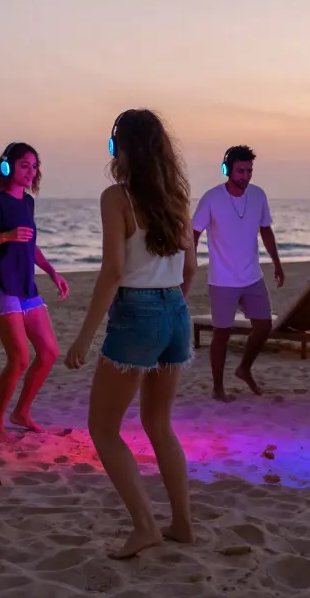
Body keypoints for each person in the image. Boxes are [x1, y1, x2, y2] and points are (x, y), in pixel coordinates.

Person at [65, 108, 198, 560]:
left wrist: (84, 337)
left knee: (102, 428)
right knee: (159, 423)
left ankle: (145, 526)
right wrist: (169, 302)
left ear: (122, 150)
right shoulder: (178, 198)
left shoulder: (116, 198)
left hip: (138, 312)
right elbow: (191, 268)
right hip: (176, 311)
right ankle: (181, 522)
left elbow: (113, 272)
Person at [0, 142, 69, 442]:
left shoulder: (28, 203)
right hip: (0, 286)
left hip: (26, 285)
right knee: (19, 358)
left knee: (48, 352)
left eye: (34, 166)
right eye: (24, 165)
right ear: (7, 166)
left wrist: (52, 272)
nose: (30, 171)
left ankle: (21, 412)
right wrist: (4, 236)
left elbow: (29, 244)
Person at [192, 145, 284, 400]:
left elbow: (266, 229)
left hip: (252, 276)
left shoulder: (258, 195)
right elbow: (194, 233)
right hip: (222, 279)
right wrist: (190, 261)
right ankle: (218, 388)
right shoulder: (211, 198)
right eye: (240, 170)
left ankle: (244, 368)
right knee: (222, 333)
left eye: (249, 170)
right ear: (227, 170)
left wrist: (277, 262)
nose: (245, 175)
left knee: (264, 325)